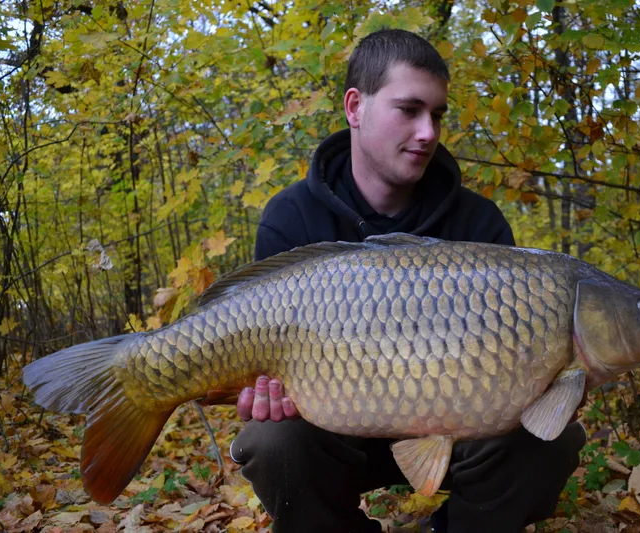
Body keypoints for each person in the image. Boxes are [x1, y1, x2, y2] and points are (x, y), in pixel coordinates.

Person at [229, 28, 587, 533]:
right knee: (271, 442)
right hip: (334, 430)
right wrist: (259, 393)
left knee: (555, 438)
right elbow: (263, 370)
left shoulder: (478, 225)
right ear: (355, 108)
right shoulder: (291, 218)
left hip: (461, 430)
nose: (428, 132)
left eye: (437, 115)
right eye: (409, 110)